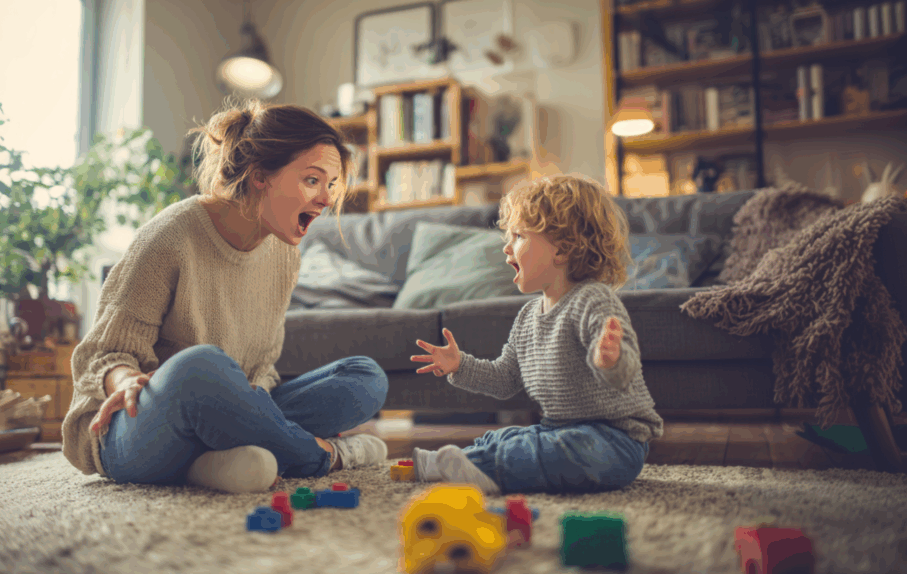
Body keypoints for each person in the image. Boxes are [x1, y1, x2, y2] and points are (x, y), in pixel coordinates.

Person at [61, 98, 389, 493]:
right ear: (260, 176)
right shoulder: (171, 236)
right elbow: (99, 355)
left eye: (331, 185)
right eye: (312, 180)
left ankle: (214, 460)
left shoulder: (285, 254)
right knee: (201, 367)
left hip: (225, 412)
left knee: (364, 378)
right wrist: (127, 379)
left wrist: (246, 402)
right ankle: (325, 456)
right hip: (136, 428)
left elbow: (262, 367)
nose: (326, 199)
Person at [409, 173, 664, 495]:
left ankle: (478, 468)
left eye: (517, 236)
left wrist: (609, 359)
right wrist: (460, 365)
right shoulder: (528, 316)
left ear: (562, 249)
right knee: (509, 437)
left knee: (570, 448)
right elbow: (505, 379)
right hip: (557, 430)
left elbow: (624, 374)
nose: (506, 247)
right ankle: (470, 462)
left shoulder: (594, 299)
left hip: (616, 441)